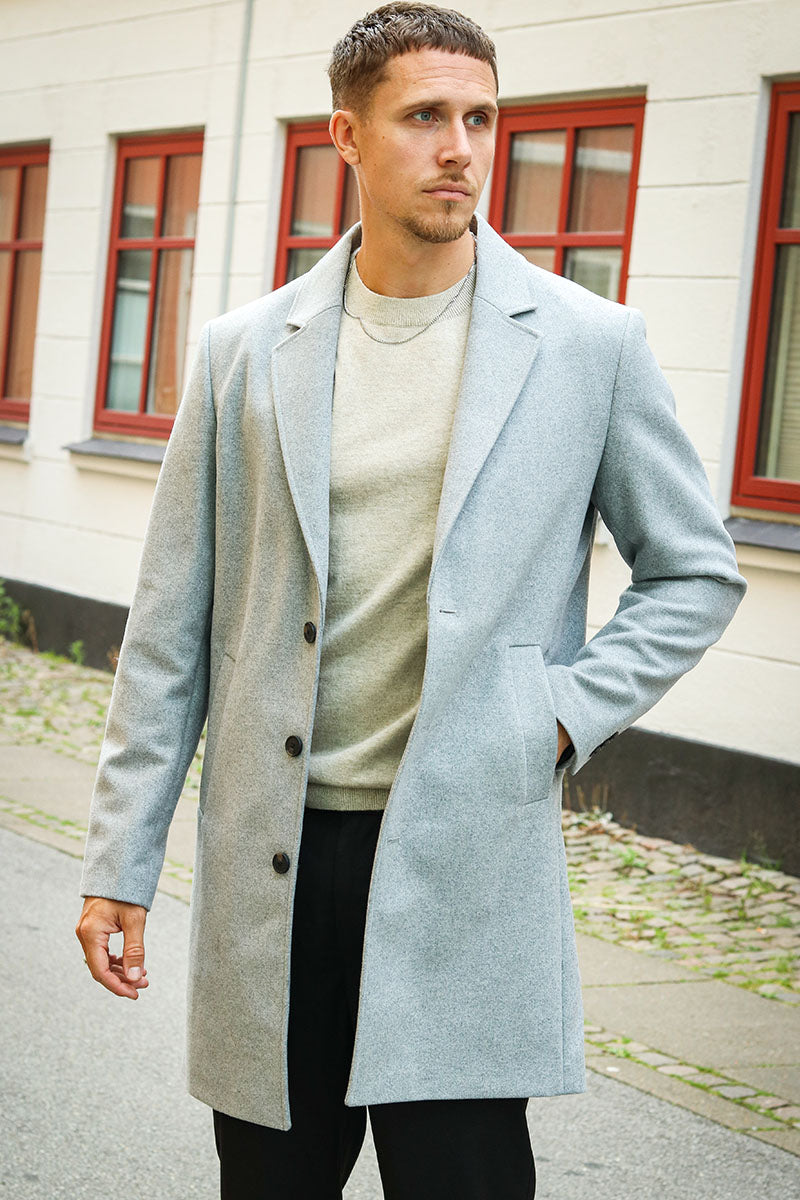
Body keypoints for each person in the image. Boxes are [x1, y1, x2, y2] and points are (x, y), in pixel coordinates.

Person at [75, 3, 747, 1197]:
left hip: (464, 857)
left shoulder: (586, 345)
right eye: (424, 116)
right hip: (276, 865)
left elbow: (692, 570)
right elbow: (169, 631)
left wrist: (554, 716)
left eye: (479, 118)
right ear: (346, 134)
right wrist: (118, 862)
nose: (459, 148)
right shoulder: (244, 351)